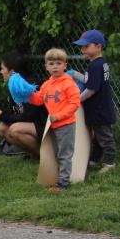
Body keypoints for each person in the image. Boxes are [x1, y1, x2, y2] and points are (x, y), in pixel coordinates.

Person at [29, 48, 81, 192]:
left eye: (58, 63)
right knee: (57, 153)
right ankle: (59, 177)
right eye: (51, 64)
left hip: (65, 124)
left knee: (64, 154)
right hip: (53, 124)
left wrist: (58, 116)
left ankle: (63, 183)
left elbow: (74, 103)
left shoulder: (68, 83)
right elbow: (39, 99)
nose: (55, 67)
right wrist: (28, 94)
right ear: (46, 67)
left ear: (65, 66)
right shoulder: (47, 84)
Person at [0, 53, 48, 159]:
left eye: (2, 69)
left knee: (15, 129)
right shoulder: (15, 85)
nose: (1, 72)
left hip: (44, 125)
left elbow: (29, 116)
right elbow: (17, 111)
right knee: (2, 128)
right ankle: (34, 154)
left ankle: (46, 156)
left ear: (12, 71)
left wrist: (1, 115)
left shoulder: (29, 86)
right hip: (32, 123)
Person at [69, 29, 117, 173]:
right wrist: (74, 74)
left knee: (105, 138)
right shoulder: (100, 63)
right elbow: (90, 81)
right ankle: (95, 160)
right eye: (82, 47)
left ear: (98, 47)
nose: (82, 50)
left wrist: (77, 100)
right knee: (97, 136)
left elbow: (91, 89)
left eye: (86, 46)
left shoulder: (95, 65)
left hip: (99, 109)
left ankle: (110, 163)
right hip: (100, 108)